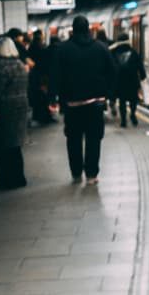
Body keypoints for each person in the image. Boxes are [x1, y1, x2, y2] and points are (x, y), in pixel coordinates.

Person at [50, 16, 115, 185]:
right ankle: (92, 174)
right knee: (94, 138)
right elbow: (112, 72)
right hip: (95, 104)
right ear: (88, 29)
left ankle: (76, 171)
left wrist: (53, 98)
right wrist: (107, 93)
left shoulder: (62, 50)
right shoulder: (101, 48)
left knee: (73, 139)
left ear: (73, 29)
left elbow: (55, 75)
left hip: (72, 105)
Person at [0, 37, 29, 189]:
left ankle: (6, 180)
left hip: (4, 108)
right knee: (15, 145)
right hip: (21, 106)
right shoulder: (20, 64)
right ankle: (19, 177)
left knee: (2, 146)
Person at [109, 33, 146, 127]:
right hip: (132, 81)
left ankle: (123, 120)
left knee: (122, 101)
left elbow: (111, 67)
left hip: (120, 82)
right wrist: (143, 76)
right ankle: (133, 114)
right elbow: (140, 66)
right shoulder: (134, 52)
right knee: (133, 100)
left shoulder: (114, 53)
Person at [27, 30, 53, 124]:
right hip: (41, 76)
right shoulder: (41, 47)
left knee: (38, 96)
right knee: (43, 96)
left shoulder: (31, 47)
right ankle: (44, 116)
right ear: (40, 36)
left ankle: (39, 116)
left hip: (35, 75)